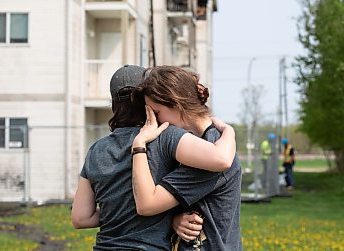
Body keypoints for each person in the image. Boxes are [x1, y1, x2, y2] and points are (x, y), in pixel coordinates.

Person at [71, 65, 237, 250]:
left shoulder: (96, 150)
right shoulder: (167, 137)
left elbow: (80, 218)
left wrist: (118, 211)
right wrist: (228, 131)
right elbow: (219, 157)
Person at [132, 66, 242, 251]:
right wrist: (175, 220)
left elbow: (148, 204)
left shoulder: (210, 154)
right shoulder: (209, 144)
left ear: (176, 103)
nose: (155, 122)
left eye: (156, 112)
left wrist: (139, 145)